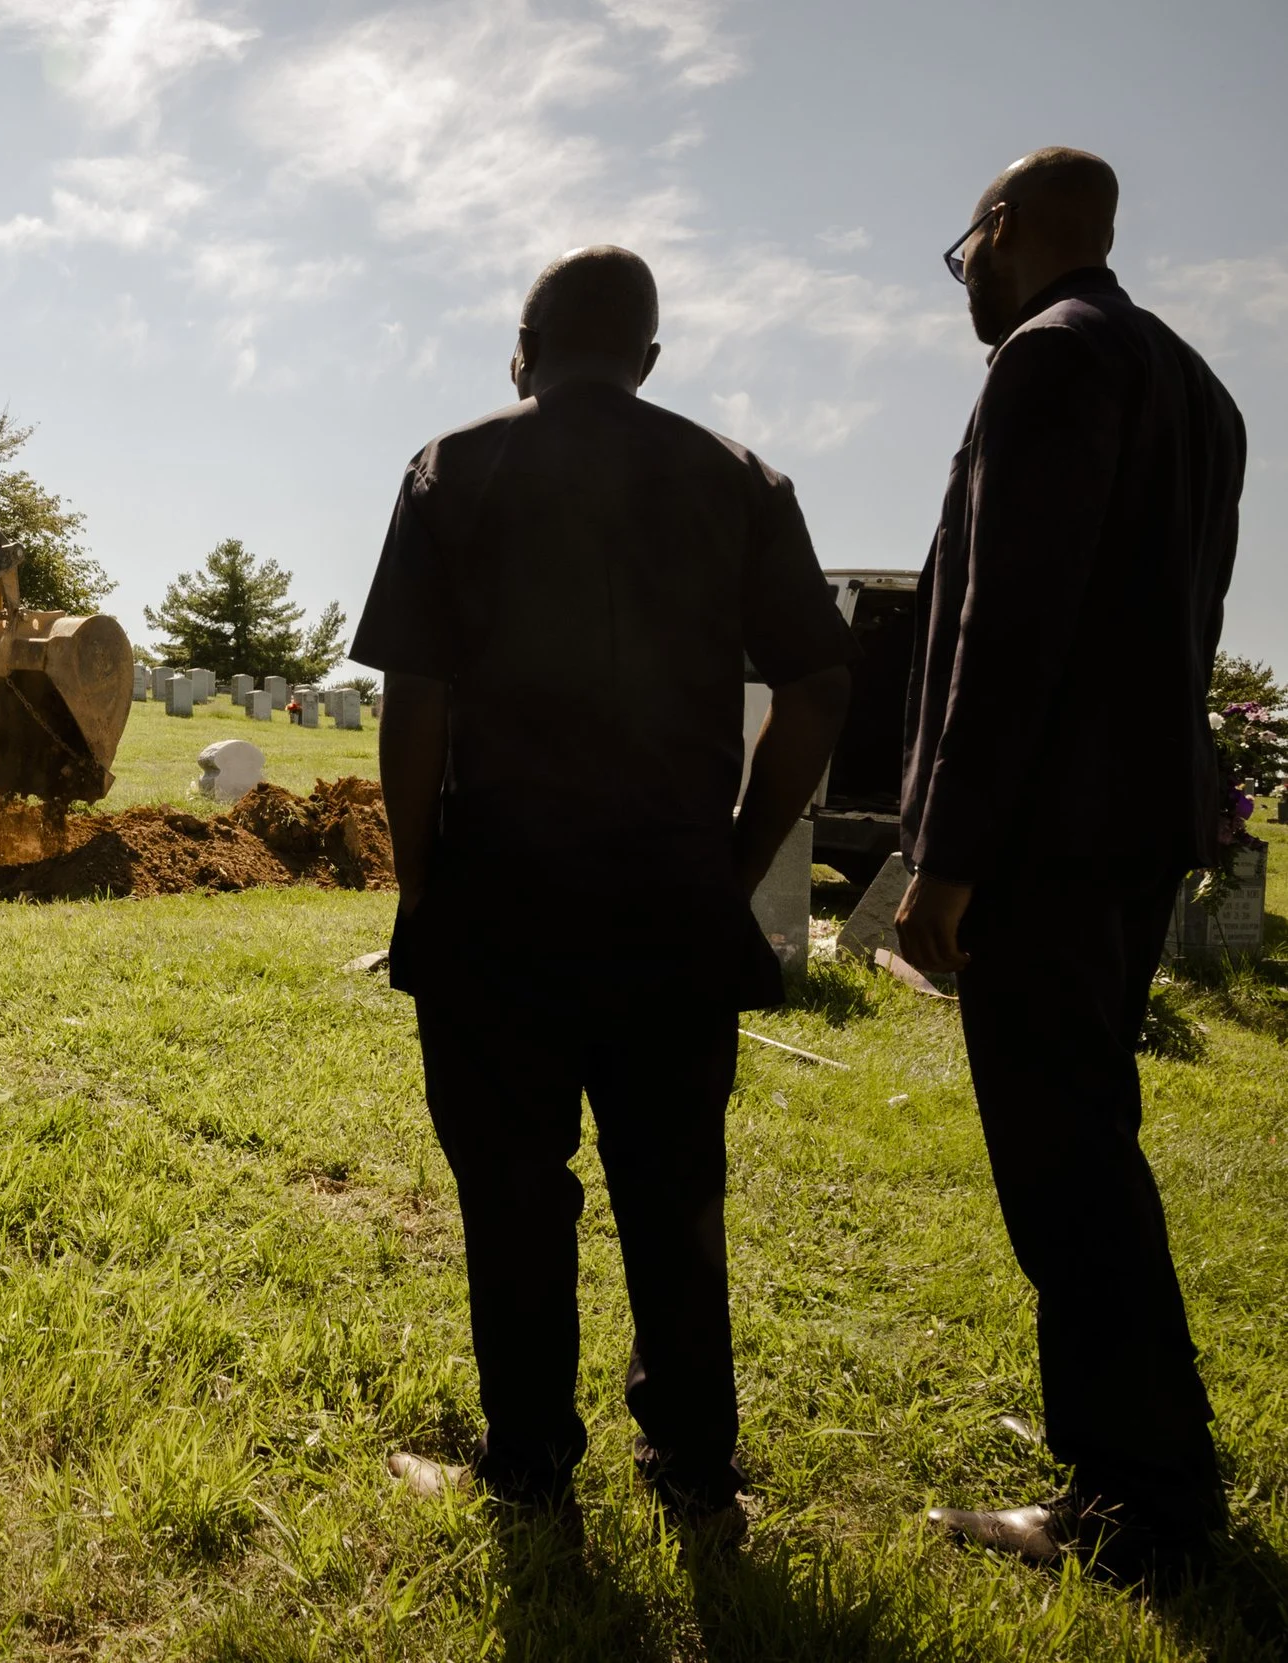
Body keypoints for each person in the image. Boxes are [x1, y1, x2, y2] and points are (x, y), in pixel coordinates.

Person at [360, 246, 855, 1535]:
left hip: (498, 902)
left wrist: (424, 891)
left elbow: (415, 698)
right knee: (675, 1182)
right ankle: (695, 1468)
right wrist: (735, 861)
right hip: (673, 905)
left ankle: (529, 1466)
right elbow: (816, 689)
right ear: (646, 358)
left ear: (520, 350)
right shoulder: (743, 480)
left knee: (513, 1193)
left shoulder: (452, 467)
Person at [897, 148, 1245, 1585]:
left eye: (963, 247)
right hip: (1136, 830)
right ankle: (1145, 1465)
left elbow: (1013, 623)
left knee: (1065, 1166)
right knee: (1092, 1137)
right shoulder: (1198, 386)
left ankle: (1138, 1499)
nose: (963, 277)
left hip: (1038, 842)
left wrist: (945, 857)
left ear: (1004, 229)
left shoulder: (1046, 357)